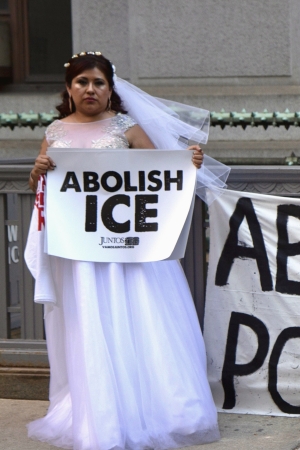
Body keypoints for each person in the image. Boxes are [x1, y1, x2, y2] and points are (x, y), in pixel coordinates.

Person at [24, 52, 224, 449]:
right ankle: (98, 411)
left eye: (98, 82)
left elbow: (160, 175)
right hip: (77, 254)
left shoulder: (126, 127)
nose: (90, 90)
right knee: (89, 324)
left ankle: (155, 406)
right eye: (82, 82)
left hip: (124, 251)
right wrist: (37, 173)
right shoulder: (55, 131)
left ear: (110, 89)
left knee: (134, 318)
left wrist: (189, 163)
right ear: (69, 89)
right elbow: (42, 188)